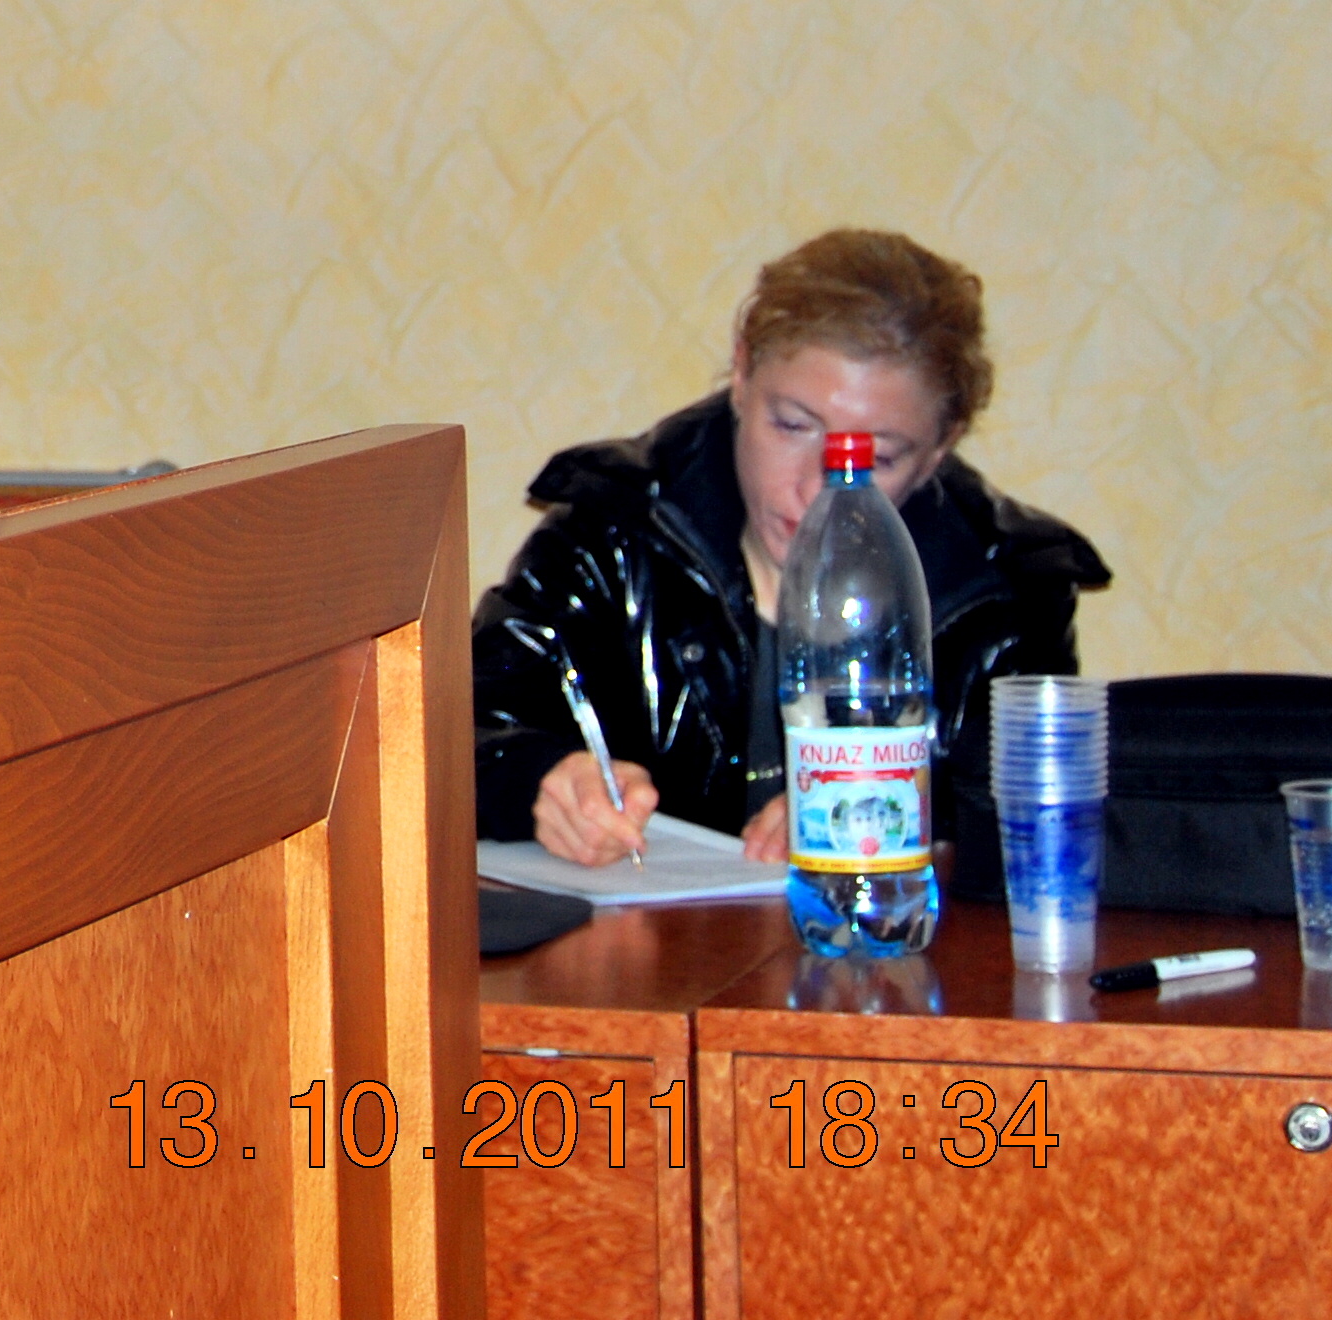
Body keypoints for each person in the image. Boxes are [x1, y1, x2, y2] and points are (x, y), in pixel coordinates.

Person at [471, 229, 1107, 867]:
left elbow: (1044, 817)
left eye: (877, 458)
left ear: (940, 449)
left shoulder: (1007, 594)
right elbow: (450, 733)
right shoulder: (612, 533)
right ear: (741, 376)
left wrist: (900, 806)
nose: (818, 486)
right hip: (651, 931)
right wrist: (536, 778)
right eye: (793, 425)